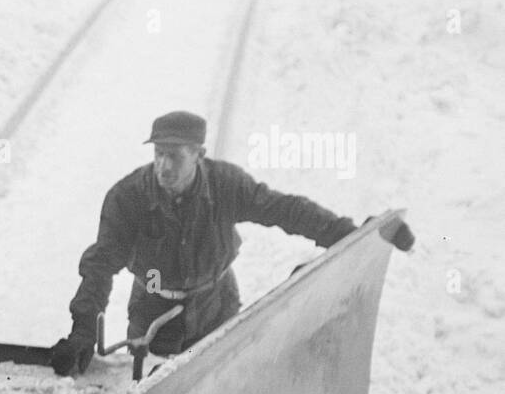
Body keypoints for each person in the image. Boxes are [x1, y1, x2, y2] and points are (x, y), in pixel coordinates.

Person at [51, 110, 415, 375]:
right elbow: (101, 264)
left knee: (220, 393)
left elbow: (286, 211)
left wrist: (350, 235)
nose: (164, 166)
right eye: (158, 153)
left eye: (175, 156)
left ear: (199, 155)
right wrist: (83, 328)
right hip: (152, 312)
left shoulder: (226, 185)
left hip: (216, 309)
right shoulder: (127, 197)